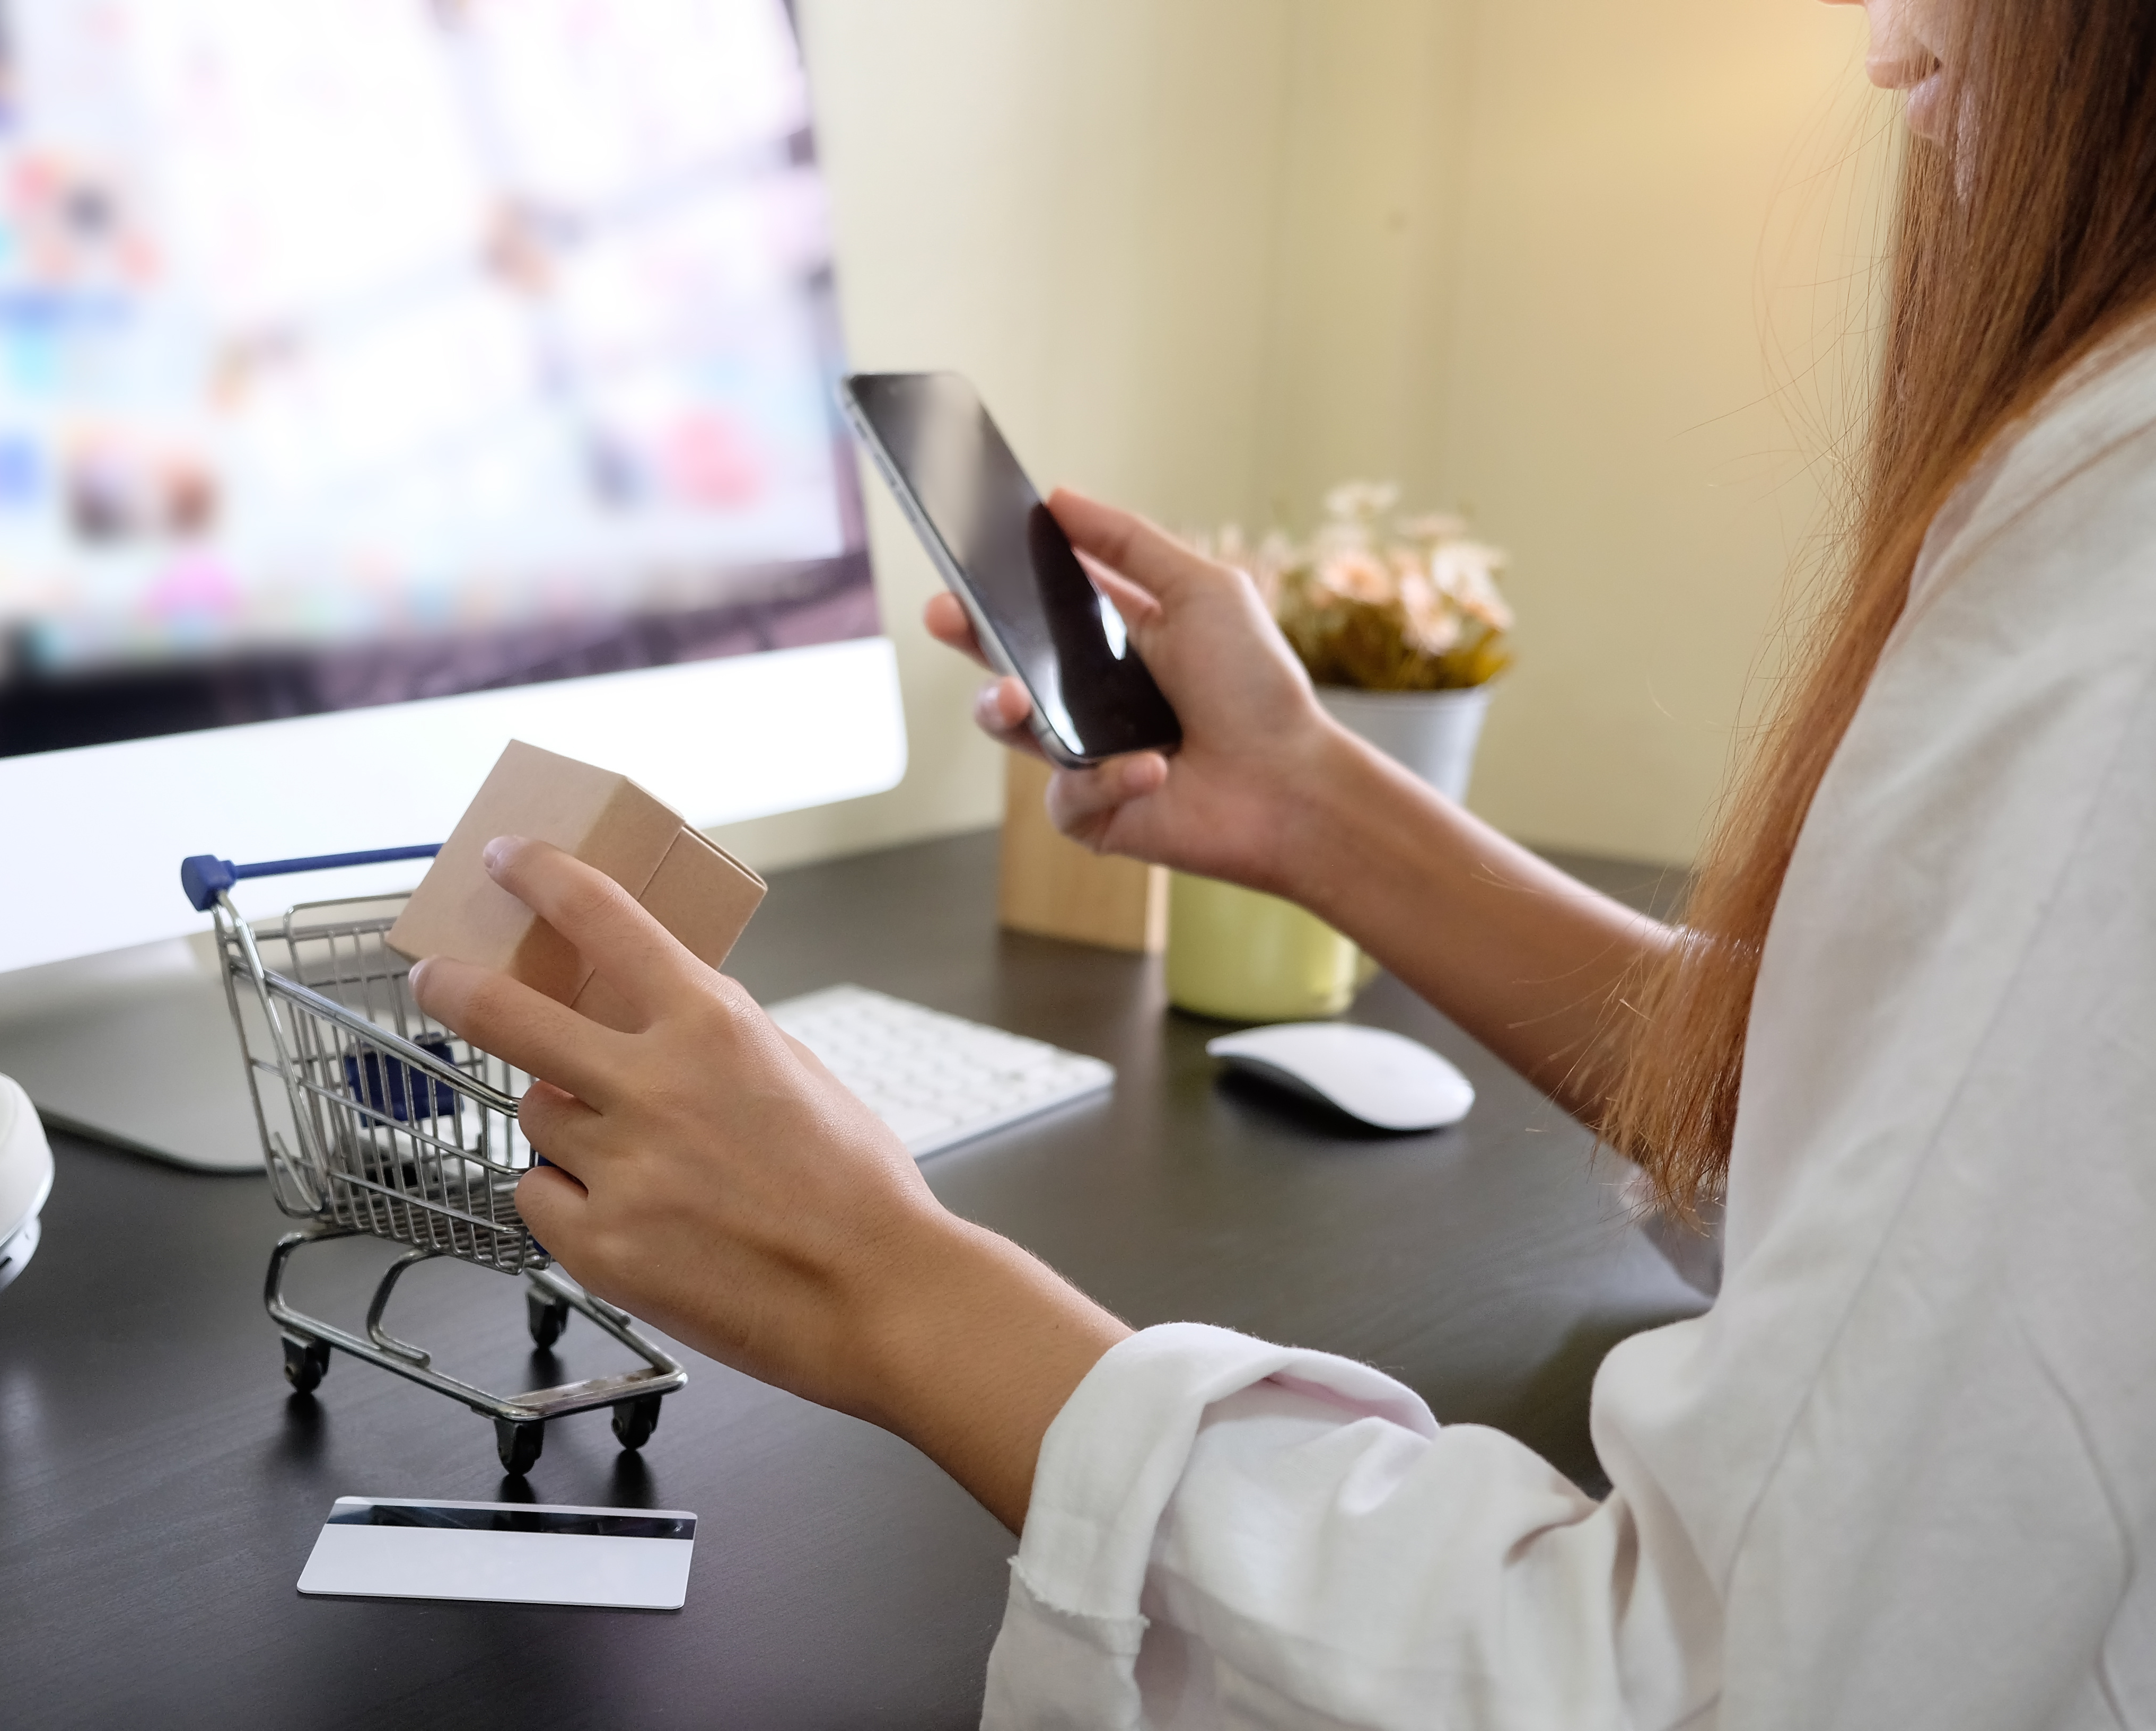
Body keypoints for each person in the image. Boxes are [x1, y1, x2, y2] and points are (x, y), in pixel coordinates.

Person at [409, 0, 2156, 1721]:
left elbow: (1706, 1689)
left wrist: (873, 1269)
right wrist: (1315, 800)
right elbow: (1937, 1147)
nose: (1890, 47)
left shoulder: (2117, 595)